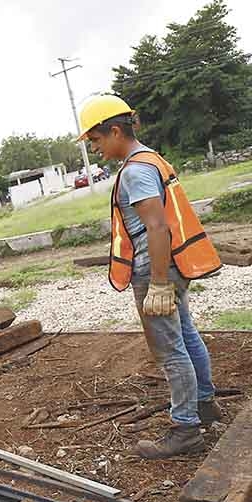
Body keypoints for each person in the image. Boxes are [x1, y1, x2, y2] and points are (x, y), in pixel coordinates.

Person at [79, 94, 223, 459]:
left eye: (95, 140)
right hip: (172, 264)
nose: (94, 148)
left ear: (115, 131)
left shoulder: (136, 171)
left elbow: (157, 227)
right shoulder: (150, 159)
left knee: (170, 350)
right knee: (187, 335)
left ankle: (185, 429)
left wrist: (158, 282)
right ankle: (204, 406)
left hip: (156, 267)